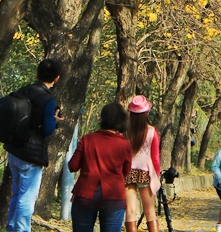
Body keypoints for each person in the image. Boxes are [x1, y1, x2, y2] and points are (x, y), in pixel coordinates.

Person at [4, 57, 62, 232]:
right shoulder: (47, 100)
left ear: (37, 73)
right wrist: (56, 120)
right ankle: (21, 229)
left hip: (14, 150)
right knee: (27, 197)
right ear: (57, 78)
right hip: (32, 155)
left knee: (16, 194)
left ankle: (12, 228)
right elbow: (47, 129)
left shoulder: (24, 90)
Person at [67, 102, 132, 232]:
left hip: (85, 195)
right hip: (113, 197)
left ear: (102, 119)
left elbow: (72, 166)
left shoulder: (87, 140)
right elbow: (126, 171)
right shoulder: (124, 145)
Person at [125, 95, 161, 232]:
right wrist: (156, 175)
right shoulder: (152, 131)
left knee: (130, 211)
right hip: (145, 172)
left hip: (128, 171)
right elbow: (155, 158)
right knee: (150, 211)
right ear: (146, 112)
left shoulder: (125, 131)